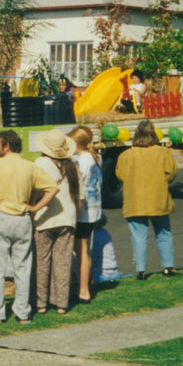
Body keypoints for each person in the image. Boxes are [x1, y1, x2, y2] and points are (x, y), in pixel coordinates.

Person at [0, 130, 58, 325]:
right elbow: (53, 188)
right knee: (23, 267)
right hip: (23, 217)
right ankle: (23, 313)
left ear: (6, 146)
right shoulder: (30, 166)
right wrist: (35, 207)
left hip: (1, 217)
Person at [115, 119, 179, 280]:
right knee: (163, 233)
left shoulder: (126, 155)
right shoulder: (164, 153)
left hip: (135, 200)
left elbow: (120, 175)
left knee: (138, 236)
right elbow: (171, 174)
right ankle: (168, 266)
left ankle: (141, 270)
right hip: (158, 199)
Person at [32, 129, 80, 314]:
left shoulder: (40, 163)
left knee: (41, 263)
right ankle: (61, 303)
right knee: (63, 263)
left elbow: (33, 189)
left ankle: (41, 303)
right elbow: (79, 197)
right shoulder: (72, 166)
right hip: (67, 218)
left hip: (43, 218)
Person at [69, 126, 101, 303]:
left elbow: (79, 185)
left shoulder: (83, 160)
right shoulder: (94, 157)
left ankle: (83, 290)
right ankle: (84, 285)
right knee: (84, 251)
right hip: (93, 210)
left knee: (81, 251)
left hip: (84, 212)